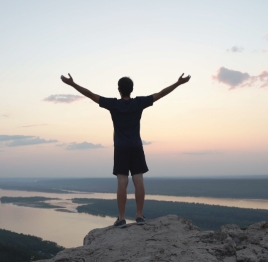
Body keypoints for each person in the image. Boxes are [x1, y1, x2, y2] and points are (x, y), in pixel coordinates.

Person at [60, 73, 191, 227]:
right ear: (132, 89)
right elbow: (161, 94)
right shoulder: (139, 103)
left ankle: (121, 218)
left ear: (119, 90)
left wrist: (72, 84)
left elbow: (90, 94)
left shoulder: (113, 104)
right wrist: (178, 83)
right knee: (138, 180)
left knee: (122, 181)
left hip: (121, 148)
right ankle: (140, 216)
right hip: (136, 146)